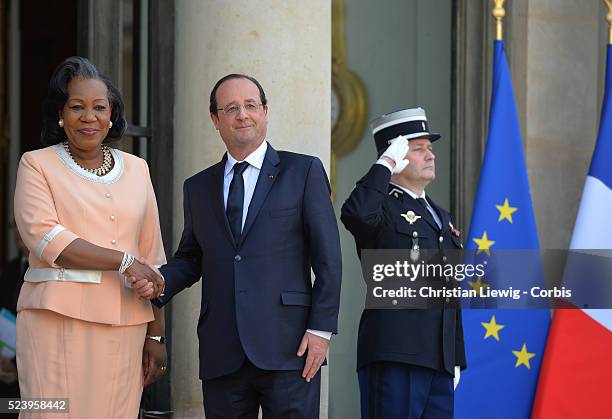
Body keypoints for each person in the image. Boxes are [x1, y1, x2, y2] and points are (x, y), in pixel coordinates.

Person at [154, 74, 342, 419]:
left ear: (265, 111)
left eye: (251, 105)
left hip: (291, 347)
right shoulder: (197, 187)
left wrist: (320, 330)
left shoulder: (302, 171)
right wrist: (157, 282)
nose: (242, 114)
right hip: (222, 350)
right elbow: (192, 257)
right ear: (216, 120)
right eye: (231, 108)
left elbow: (328, 258)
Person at [13, 56, 167, 419]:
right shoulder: (36, 164)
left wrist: (157, 336)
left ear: (111, 115)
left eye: (100, 107)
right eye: (77, 107)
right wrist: (124, 261)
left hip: (126, 326)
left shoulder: (137, 169)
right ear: (60, 115)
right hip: (55, 321)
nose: (89, 117)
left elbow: (152, 258)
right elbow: (48, 241)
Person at [341, 107, 466, 419]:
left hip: (437, 360)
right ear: (395, 155)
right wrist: (383, 165)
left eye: (431, 149)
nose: (430, 156)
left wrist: (455, 355)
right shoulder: (381, 207)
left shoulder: (440, 216)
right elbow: (356, 214)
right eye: (418, 149)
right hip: (396, 355)